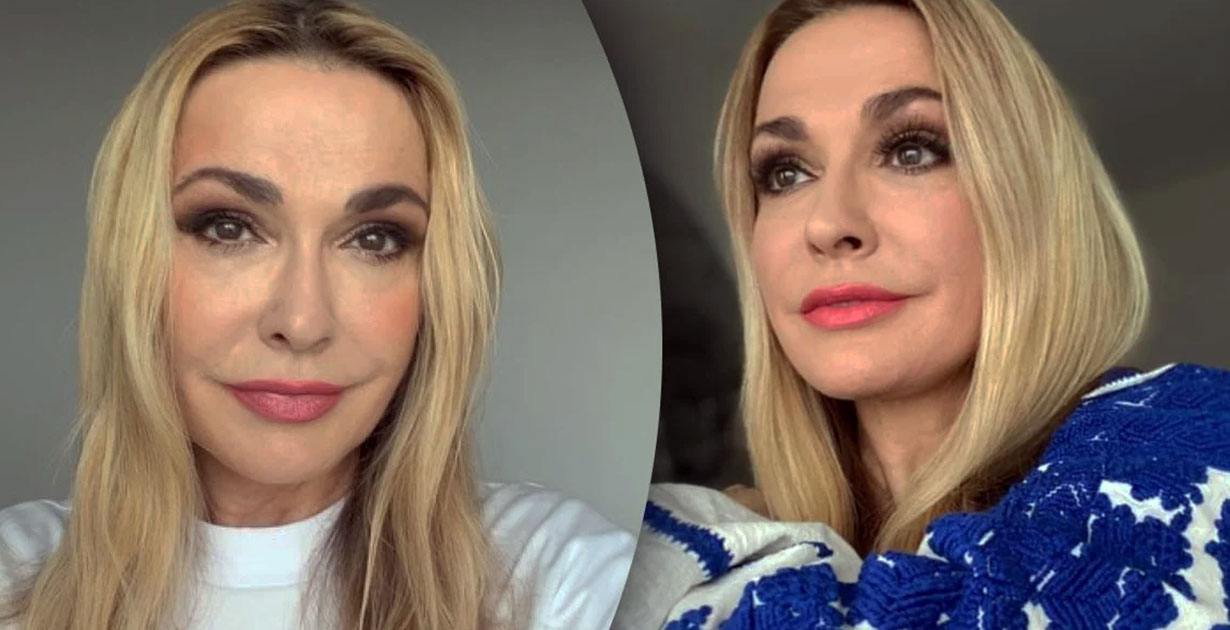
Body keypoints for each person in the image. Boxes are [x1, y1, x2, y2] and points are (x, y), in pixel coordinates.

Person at [0, 1, 633, 628]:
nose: (302, 323)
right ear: (133, 259)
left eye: (374, 239)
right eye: (228, 227)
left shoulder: (558, 579)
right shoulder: (14, 577)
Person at [613, 0, 1230, 628]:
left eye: (911, 151)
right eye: (786, 173)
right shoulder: (729, 548)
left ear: (1029, 199)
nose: (828, 225)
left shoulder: (1195, 445)